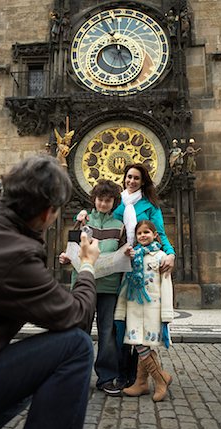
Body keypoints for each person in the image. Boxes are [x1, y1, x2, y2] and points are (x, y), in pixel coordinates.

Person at [0, 155, 100, 429]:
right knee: (75, 347)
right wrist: (87, 265)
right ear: (48, 214)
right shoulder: (14, 253)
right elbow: (77, 317)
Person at [59, 179, 131, 396]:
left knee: (107, 332)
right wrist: (64, 258)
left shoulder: (119, 227)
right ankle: (75, 376)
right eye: (100, 200)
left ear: (113, 203)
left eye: (108, 201)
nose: (103, 204)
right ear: (94, 200)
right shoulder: (82, 223)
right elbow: (71, 251)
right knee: (80, 331)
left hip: (109, 286)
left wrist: (127, 254)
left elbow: (124, 252)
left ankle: (107, 378)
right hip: (83, 285)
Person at [112, 163, 175, 388]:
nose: (131, 181)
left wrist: (171, 253)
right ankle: (126, 374)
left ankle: (140, 378)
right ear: (124, 178)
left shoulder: (150, 205)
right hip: (118, 265)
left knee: (137, 320)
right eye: (129, 177)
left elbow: (161, 233)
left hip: (140, 267)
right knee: (120, 324)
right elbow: (101, 219)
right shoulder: (117, 202)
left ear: (143, 181)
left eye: (136, 178)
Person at [114, 220, 174, 402]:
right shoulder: (133, 256)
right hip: (133, 307)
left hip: (152, 308)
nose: (143, 236)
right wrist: (120, 310)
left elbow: (166, 285)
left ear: (155, 235)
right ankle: (143, 382)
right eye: (139, 233)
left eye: (146, 232)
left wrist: (167, 314)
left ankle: (159, 379)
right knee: (139, 343)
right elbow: (125, 284)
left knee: (143, 344)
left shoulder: (161, 256)